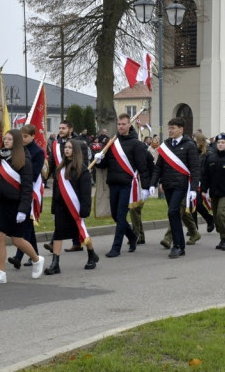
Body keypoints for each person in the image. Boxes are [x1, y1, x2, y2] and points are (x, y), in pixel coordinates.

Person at [0, 129, 44, 284]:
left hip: (17, 204)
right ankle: (1, 273)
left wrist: (23, 210)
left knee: (17, 240)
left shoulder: (24, 159)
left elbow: (27, 187)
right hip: (1, 202)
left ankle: (37, 259)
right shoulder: (2, 156)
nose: (6, 141)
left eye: (9, 139)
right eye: (4, 139)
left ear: (17, 141)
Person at [93, 113, 150, 257]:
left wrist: (146, 187)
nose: (121, 126)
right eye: (119, 124)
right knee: (115, 215)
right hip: (113, 183)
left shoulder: (136, 144)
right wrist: (99, 159)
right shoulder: (112, 143)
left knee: (120, 214)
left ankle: (116, 248)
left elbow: (142, 166)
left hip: (127, 185)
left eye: (124, 124)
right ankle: (132, 236)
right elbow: (105, 164)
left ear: (129, 125)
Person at [45, 139, 100, 273]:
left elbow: (85, 193)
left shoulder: (82, 169)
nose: (67, 150)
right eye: (66, 147)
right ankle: (55, 264)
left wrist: (84, 210)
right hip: (61, 207)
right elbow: (57, 190)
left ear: (75, 151)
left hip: (75, 208)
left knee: (81, 232)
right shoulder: (60, 169)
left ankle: (91, 254)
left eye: (70, 147)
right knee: (58, 233)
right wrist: (54, 208)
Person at [149, 117, 201, 259]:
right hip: (168, 184)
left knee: (173, 212)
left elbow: (195, 168)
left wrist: (193, 189)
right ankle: (180, 246)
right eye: (169, 128)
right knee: (172, 213)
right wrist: (153, 183)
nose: (170, 130)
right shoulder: (166, 145)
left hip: (181, 185)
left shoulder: (189, 145)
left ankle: (177, 246)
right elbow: (159, 166)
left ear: (181, 129)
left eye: (173, 128)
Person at [11, 124, 45, 266]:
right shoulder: (18, 150)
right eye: (21, 136)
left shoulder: (38, 152)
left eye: (25, 136)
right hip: (19, 188)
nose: (23, 139)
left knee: (27, 223)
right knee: (28, 224)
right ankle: (34, 254)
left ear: (33, 136)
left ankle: (19, 257)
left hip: (32, 190)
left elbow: (34, 173)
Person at [129, 139, 155, 245]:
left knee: (135, 209)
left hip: (142, 184)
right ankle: (139, 235)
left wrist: (150, 185)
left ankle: (137, 235)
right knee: (135, 210)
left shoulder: (142, 150)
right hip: (136, 184)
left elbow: (150, 167)